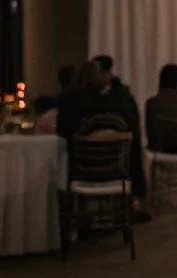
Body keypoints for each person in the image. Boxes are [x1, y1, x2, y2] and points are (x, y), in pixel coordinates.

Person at [58, 58, 148, 206]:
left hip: (95, 167)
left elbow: (65, 132)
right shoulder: (80, 101)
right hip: (106, 167)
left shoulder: (119, 99)